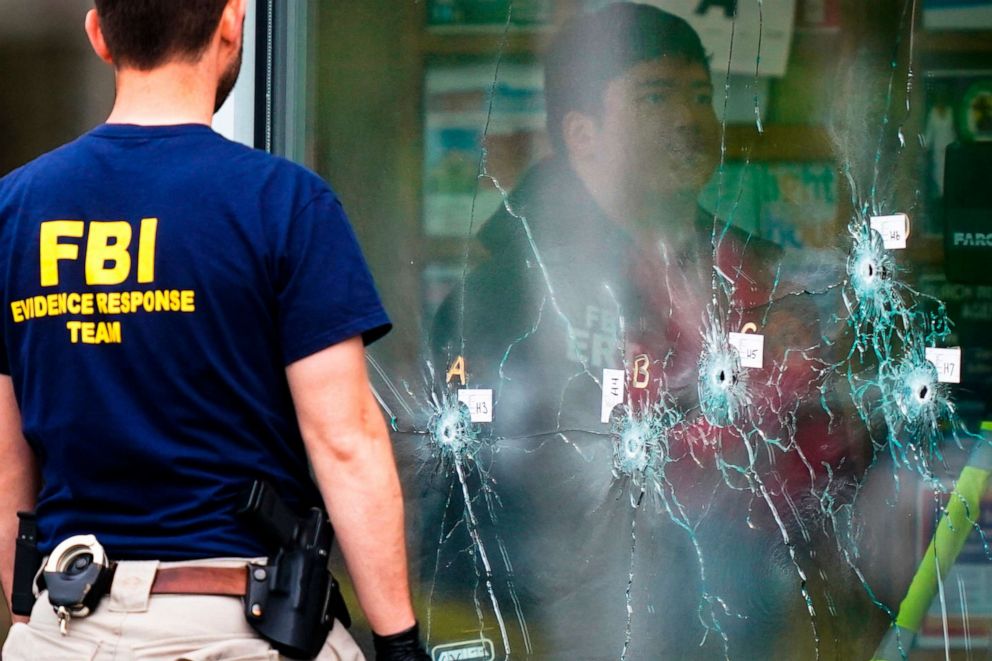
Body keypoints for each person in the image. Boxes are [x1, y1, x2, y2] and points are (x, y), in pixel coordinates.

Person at [429, 3, 871, 658]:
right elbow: (468, 513)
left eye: (701, 95)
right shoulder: (508, 301)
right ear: (584, 134)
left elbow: (814, 462)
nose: (690, 118)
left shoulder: (759, 285)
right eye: (656, 95)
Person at [0, 1, 429, 659]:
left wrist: (34, 619)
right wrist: (398, 641)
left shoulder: (14, 210)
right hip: (237, 630)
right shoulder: (284, 202)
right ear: (232, 22)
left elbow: (6, 461)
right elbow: (344, 442)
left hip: (65, 625)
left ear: (97, 35)